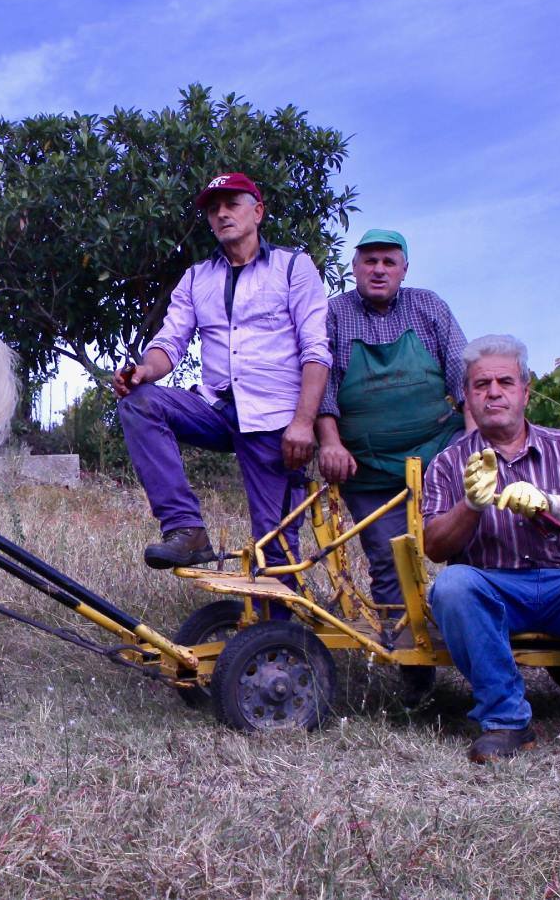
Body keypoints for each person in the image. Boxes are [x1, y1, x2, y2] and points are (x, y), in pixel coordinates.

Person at [422, 335, 560, 767]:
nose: (493, 392)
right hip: (497, 588)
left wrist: (554, 504)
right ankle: (506, 721)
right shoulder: (449, 463)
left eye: (505, 382)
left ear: (526, 391)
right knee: (452, 585)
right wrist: (471, 505)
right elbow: (435, 546)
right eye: (481, 384)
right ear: (467, 398)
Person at [111, 172, 330, 570]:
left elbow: (316, 350)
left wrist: (303, 422)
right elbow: (170, 341)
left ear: (258, 211)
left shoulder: (293, 267)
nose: (222, 214)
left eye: (232, 205)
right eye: (214, 210)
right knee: (140, 403)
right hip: (216, 409)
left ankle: (276, 633)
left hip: (274, 420)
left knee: (275, 548)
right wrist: (144, 370)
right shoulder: (197, 277)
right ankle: (186, 530)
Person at [314, 228, 468, 706]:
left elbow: (463, 373)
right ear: (355, 267)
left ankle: (483, 651)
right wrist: (330, 443)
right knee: (389, 562)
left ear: (404, 269)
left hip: (440, 456)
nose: (378, 269)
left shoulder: (429, 307)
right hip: (370, 467)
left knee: (470, 547)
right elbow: (321, 381)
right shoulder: (334, 314)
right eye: (369, 261)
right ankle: (414, 676)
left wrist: (477, 439)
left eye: (388, 261)